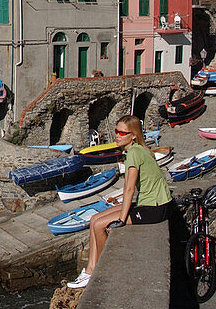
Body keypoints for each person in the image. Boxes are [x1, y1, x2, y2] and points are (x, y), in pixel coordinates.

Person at [67, 114, 174, 289]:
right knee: (94, 220)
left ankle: (100, 269)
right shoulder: (138, 149)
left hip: (154, 208)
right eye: (117, 131)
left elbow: (129, 188)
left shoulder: (133, 154)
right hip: (149, 203)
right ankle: (89, 271)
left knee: (101, 225)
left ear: (133, 135)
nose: (117, 135)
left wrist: (122, 219)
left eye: (123, 133)